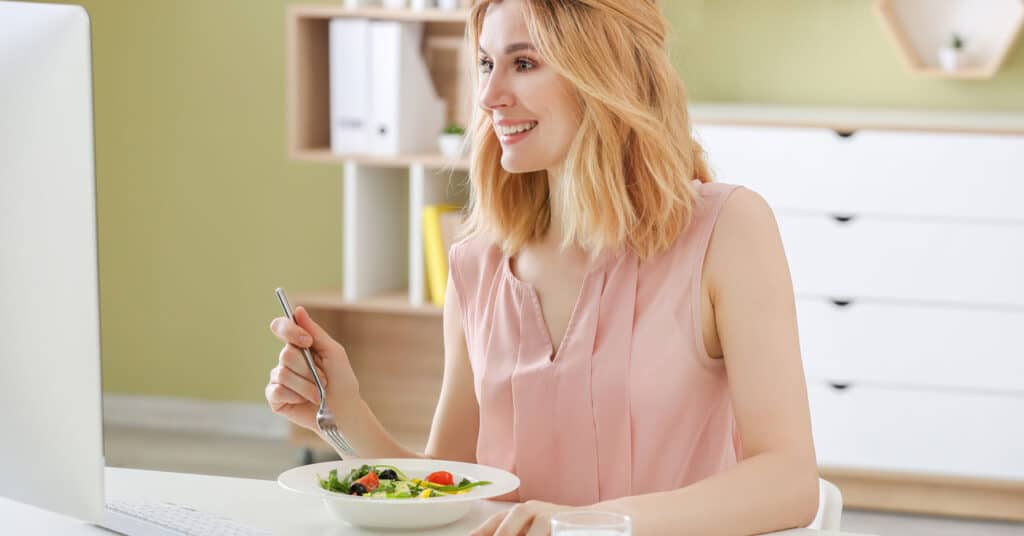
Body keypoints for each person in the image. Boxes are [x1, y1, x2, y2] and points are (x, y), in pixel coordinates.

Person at [266, 1, 819, 534]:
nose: (487, 95)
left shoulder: (726, 230)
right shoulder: (476, 263)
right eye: (485, 63)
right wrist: (343, 412)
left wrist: (590, 527)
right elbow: (449, 488)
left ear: (604, 71)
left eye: (523, 63)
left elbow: (789, 481)